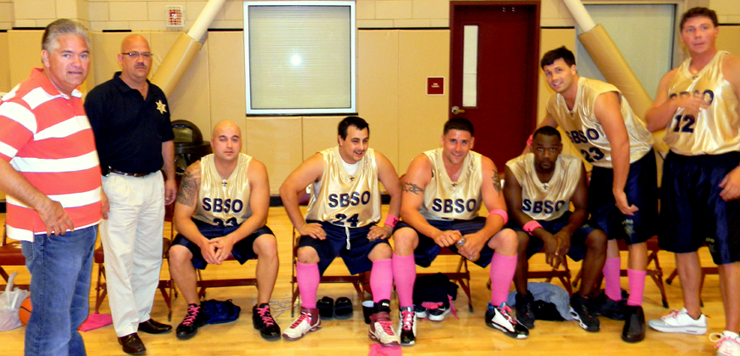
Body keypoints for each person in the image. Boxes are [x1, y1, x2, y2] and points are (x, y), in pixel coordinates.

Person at [538, 46, 658, 343]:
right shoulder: (556, 102)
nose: (554, 77)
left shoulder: (599, 96)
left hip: (634, 163)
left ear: (573, 68)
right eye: (549, 72)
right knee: (605, 233)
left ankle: (635, 308)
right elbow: (542, 131)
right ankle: (613, 297)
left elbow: (621, 143)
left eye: (559, 70)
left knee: (634, 236)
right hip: (602, 167)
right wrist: (522, 158)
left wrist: (619, 188)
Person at [0, 19, 105, 355]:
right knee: (51, 326)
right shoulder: (25, 102)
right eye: (67, 55)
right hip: (52, 234)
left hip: (82, 228)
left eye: (84, 55)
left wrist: (96, 191)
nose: (78, 63)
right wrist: (44, 205)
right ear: (46, 58)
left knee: (71, 317)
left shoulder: (71, 95)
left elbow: (70, 153)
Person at [644, 7, 740, 356]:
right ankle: (692, 313)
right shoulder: (673, 77)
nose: (697, 34)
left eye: (703, 28)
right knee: (682, 244)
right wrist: (678, 103)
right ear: (682, 37)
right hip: (679, 166)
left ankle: (733, 332)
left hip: (721, 164)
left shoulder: (731, 66)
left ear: (716, 31)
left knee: (728, 252)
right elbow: (650, 119)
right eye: (690, 29)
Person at [392, 118, 528, 346]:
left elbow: (499, 211)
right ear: (442, 140)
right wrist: (435, 233)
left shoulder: (484, 165)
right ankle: (407, 312)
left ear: (472, 143)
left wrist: (481, 237)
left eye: (464, 142)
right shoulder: (423, 162)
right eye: (452, 141)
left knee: (508, 237)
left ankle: (497, 309)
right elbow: (407, 210)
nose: (457, 148)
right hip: (428, 221)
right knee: (402, 236)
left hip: (467, 222)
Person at [84, 34, 177, 354]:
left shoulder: (158, 94)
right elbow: (87, 147)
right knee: (120, 259)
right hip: (117, 184)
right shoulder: (101, 97)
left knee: (150, 255)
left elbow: (166, 139)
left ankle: (141, 315)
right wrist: (97, 188)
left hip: (152, 182)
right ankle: (124, 328)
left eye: (146, 55)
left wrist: (170, 177)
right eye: (133, 54)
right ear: (120, 59)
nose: (141, 60)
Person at [279, 116, 402, 346]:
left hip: (362, 229)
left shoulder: (376, 160)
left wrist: (388, 225)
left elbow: (397, 191)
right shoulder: (322, 160)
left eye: (365, 141)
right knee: (305, 253)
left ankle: (380, 320)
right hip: (328, 228)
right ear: (341, 140)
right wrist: (301, 226)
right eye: (355, 141)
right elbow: (287, 188)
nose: (361, 147)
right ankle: (309, 315)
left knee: (384, 252)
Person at [169, 120, 280, 341]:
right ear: (212, 143)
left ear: (241, 143)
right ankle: (194, 308)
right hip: (205, 226)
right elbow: (180, 219)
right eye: (223, 139)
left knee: (268, 243)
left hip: (243, 225)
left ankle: (263, 308)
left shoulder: (255, 168)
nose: (229, 144)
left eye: (235, 139)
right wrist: (201, 242)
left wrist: (231, 239)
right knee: (177, 253)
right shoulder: (195, 172)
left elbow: (260, 216)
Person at [504, 126, 607, 332]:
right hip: (527, 221)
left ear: (560, 149)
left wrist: (566, 231)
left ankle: (582, 300)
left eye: (551, 150)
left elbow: (581, 208)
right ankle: (524, 298)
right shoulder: (515, 167)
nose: (546, 155)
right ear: (532, 147)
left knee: (598, 238)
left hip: (560, 220)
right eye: (540, 149)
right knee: (517, 240)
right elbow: (515, 211)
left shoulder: (573, 166)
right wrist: (545, 236)